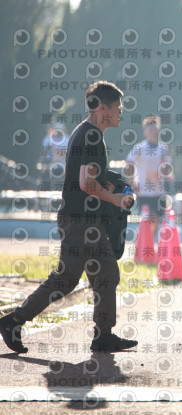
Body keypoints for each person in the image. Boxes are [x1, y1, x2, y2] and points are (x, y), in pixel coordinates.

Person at [0, 81, 137, 353]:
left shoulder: (88, 133)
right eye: (118, 107)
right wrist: (115, 199)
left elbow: (87, 177)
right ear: (102, 108)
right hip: (79, 221)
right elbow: (86, 183)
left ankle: (103, 335)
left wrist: (111, 183)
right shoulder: (91, 136)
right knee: (65, 279)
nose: (121, 112)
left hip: (89, 221)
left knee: (107, 274)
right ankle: (14, 321)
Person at [124, 115, 173, 238]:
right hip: (144, 190)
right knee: (148, 217)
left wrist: (168, 175)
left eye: (156, 129)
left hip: (159, 190)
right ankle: (142, 241)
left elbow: (166, 167)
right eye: (150, 130)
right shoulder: (139, 148)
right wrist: (132, 183)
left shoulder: (164, 149)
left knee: (156, 219)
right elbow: (128, 165)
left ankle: (148, 242)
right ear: (145, 132)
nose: (154, 132)